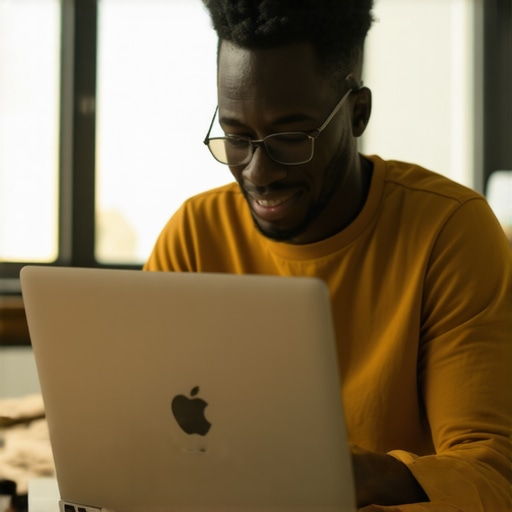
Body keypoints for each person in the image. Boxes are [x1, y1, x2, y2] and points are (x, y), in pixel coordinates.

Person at [144, 1, 512, 510]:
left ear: (357, 112)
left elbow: (489, 477)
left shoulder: (449, 232)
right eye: (237, 136)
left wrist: (347, 476)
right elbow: (140, 433)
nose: (258, 172)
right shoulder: (193, 234)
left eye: (291, 137)